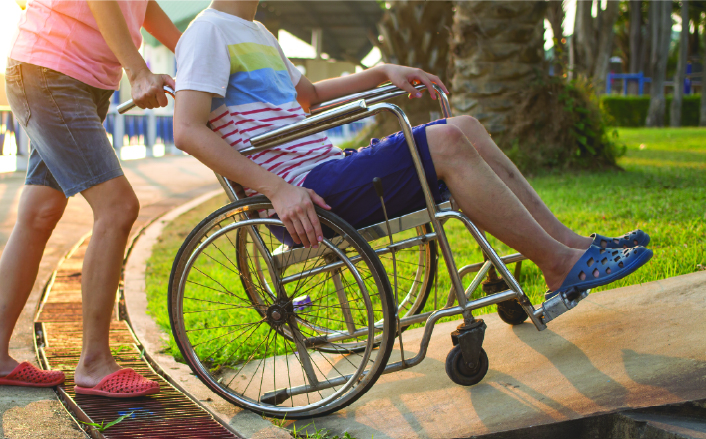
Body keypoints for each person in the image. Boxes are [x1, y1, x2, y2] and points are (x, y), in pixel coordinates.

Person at [171, 1, 652, 305]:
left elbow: (311, 95)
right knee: (443, 139)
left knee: (463, 125)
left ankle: (571, 247)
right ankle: (557, 265)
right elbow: (189, 130)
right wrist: (277, 190)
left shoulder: (256, 33)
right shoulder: (206, 33)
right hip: (304, 192)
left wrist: (382, 71)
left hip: (325, 170)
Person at [0, 0, 178, 397]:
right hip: (51, 69)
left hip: (88, 80)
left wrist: (189, 51)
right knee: (117, 207)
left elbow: (142, 5)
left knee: (40, 212)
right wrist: (137, 69)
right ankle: (95, 362)